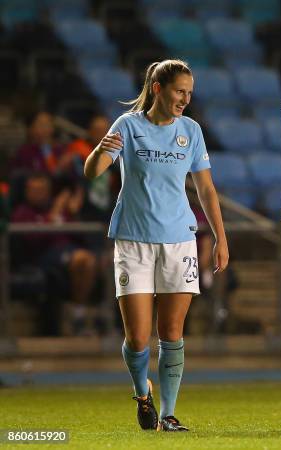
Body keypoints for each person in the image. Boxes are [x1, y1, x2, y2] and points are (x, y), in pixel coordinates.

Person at [84, 59, 229, 432]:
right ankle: (141, 393)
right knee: (136, 336)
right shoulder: (129, 126)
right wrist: (99, 151)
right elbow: (93, 171)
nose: (185, 99)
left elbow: (206, 189)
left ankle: (168, 414)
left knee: (173, 332)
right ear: (158, 89)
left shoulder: (191, 131)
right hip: (133, 240)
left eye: (190, 93)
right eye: (180, 91)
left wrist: (220, 239)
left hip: (180, 240)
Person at [11, 172, 97, 335]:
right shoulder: (22, 212)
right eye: (33, 190)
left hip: (69, 250)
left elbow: (81, 236)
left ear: (48, 191)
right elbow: (32, 241)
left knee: (96, 260)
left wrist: (72, 214)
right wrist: (55, 212)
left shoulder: (62, 210)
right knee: (83, 260)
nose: (37, 194)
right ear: (26, 192)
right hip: (43, 256)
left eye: (41, 190)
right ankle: (78, 313)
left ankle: (80, 312)